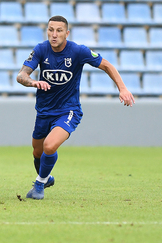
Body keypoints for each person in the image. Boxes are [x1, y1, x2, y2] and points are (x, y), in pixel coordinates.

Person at [16, 15, 135, 200]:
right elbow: (21, 75)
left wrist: (123, 88)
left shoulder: (78, 51)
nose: (54, 34)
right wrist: (33, 83)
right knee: (37, 151)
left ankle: (38, 186)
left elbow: (106, 65)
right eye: (50, 30)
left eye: (59, 31)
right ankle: (46, 177)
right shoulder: (41, 49)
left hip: (68, 110)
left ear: (66, 33)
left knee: (49, 145)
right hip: (44, 110)